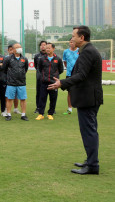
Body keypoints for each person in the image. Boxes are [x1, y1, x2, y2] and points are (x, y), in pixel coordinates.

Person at [48, 26, 103, 175]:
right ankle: (90, 161)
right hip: (90, 97)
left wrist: (62, 83)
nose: (71, 39)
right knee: (90, 131)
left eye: (73, 36)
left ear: (82, 38)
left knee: (89, 132)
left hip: (88, 98)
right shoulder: (87, 51)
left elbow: (81, 75)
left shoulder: (88, 52)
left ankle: (92, 165)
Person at [36, 42, 64, 120]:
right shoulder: (42, 59)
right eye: (46, 48)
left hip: (54, 83)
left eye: (49, 48)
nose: (47, 49)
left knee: (53, 99)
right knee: (42, 98)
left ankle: (50, 113)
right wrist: (43, 77)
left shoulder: (58, 59)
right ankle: (41, 114)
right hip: (44, 82)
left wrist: (54, 76)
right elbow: (39, 69)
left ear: (53, 49)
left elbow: (61, 70)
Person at [2, 43, 29, 121]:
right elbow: (4, 69)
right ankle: (9, 114)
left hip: (21, 83)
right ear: (13, 50)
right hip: (11, 83)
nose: (19, 48)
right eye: (17, 47)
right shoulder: (8, 59)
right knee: (10, 99)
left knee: (23, 99)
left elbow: (25, 69)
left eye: (20, 47)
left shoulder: (24, 59)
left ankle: (23, 114)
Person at [62, 38, 79, 115]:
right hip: (69, 74)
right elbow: (65, 62)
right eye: (70, 42)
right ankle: (69, 109)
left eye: (73, 42)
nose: (72, 43)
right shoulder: (66, 52)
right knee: (70, 92)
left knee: (81, 91)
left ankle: (81, 108)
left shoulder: (80, 51)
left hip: (79, 74)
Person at [33, 40, 47, 113]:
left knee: (50, 93)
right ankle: (38, 107)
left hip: (48, 77)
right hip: (39, 77)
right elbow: (36, 66)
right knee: (38, 92)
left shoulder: (49, 55)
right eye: (41, 45)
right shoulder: (37, 56)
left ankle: (51, 108)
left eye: (44, 45)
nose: (43, 46)